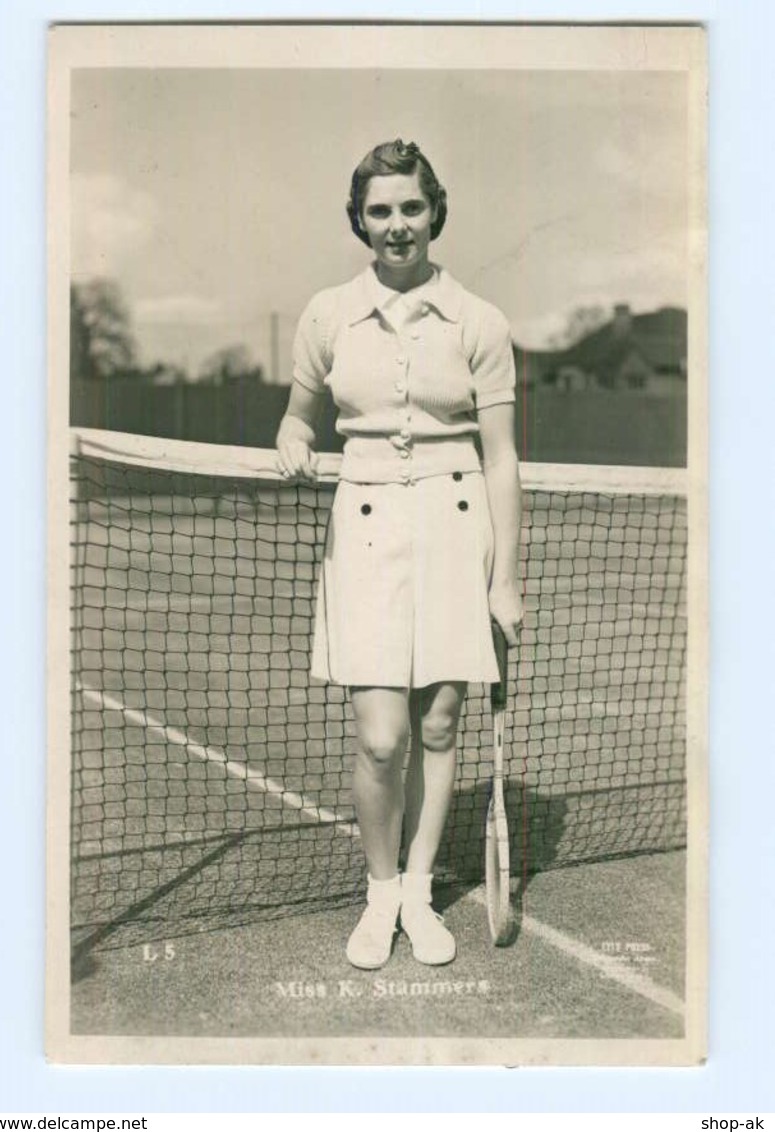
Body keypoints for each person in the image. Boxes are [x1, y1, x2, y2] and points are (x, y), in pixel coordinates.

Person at [276, 139, 523, 970]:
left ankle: (417, 892)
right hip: (369, 522)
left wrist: (506, 579)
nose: (396, 225)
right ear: (359, 221)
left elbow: (501, 457)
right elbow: (300, 413)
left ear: (433, 211)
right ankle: (378, 893)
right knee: (382, 736)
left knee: (441, 721)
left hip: (457, 527)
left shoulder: (480, 321)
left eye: (409, 207)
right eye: (379, 210)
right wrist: (292, 435)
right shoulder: (325, 315)